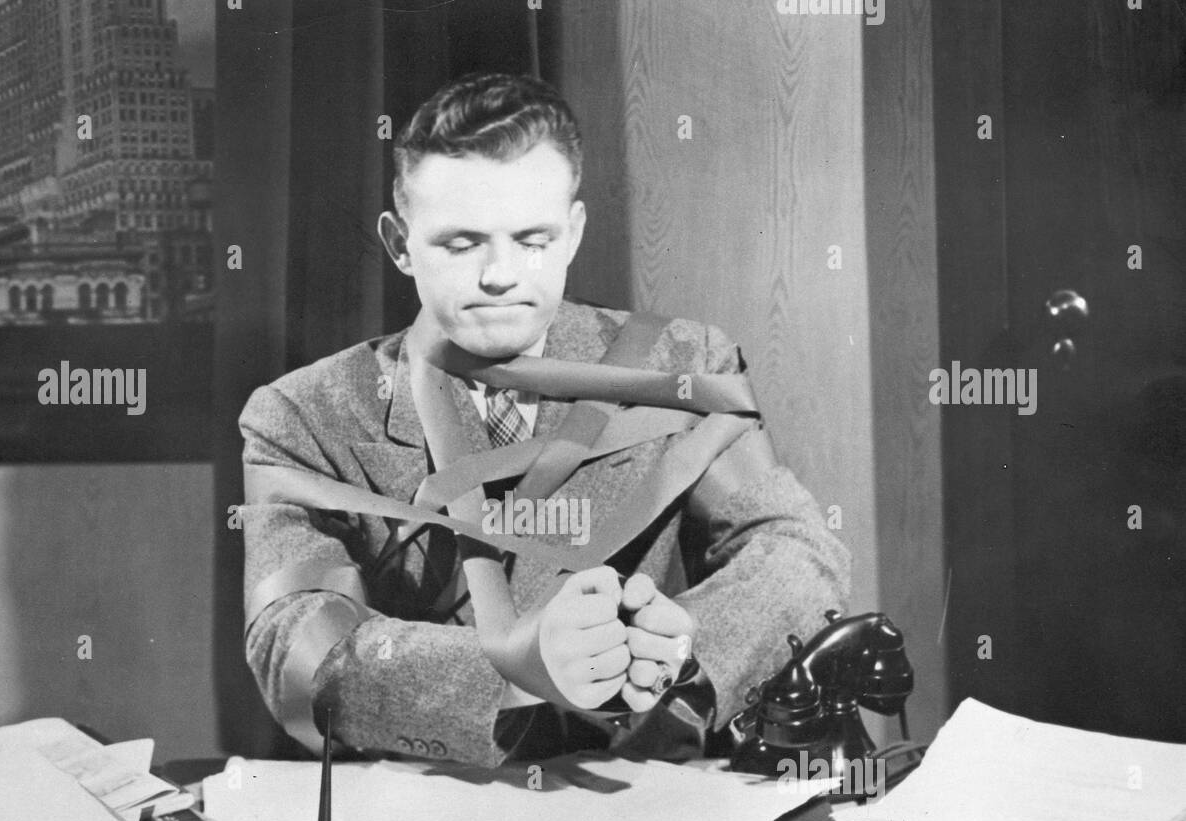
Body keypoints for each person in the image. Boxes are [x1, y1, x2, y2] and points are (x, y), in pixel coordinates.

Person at [239, 71, 849, 767]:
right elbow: (292, 643)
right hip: (428, 811)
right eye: (462, 243)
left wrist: (685, 643)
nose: (501, 274)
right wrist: (508, 665)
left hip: (634, 789)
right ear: (400, 243)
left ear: (573, 234)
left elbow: (798, 547)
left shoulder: (680, 364)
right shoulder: (301, 414)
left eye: (532, 239)